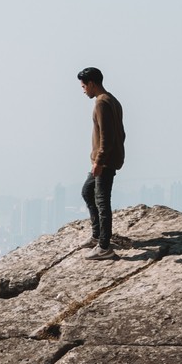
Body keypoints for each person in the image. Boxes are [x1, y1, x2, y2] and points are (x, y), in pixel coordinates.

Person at [78, 67, 125, 256]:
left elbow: (107, 136)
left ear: (91, 84)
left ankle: (104, 247)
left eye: (83, 86)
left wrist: (99, 161)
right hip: (106, 159)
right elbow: (121, 133)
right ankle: (98, 235)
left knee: (102, 201)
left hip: (104, 161)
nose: (83, 90)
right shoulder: (112, 100)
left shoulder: (102, 103)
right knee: (88, 192)